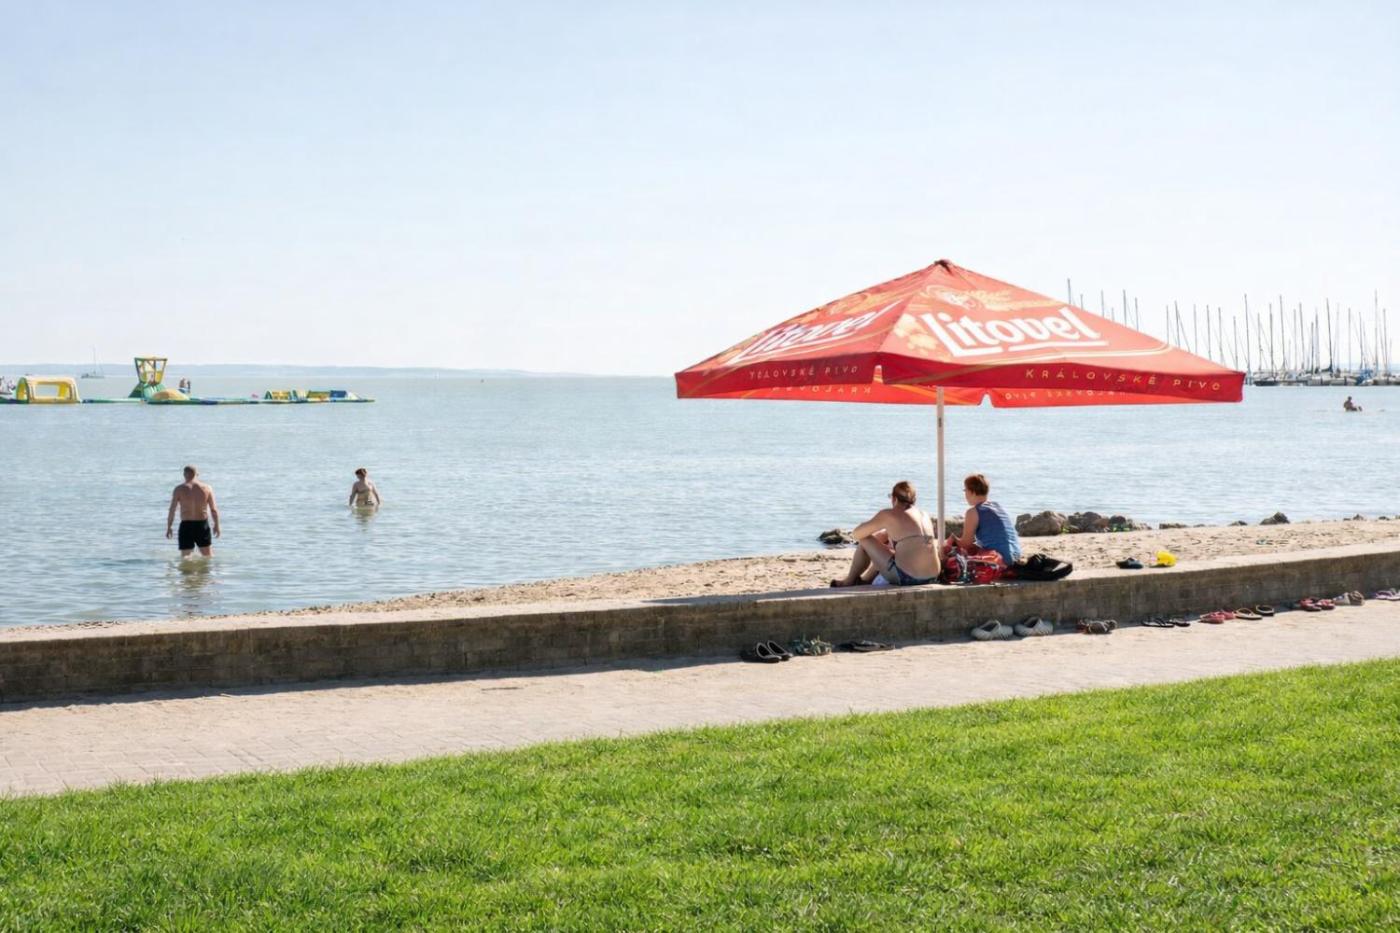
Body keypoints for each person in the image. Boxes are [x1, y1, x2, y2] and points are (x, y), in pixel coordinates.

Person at [831, 480, 941, 587]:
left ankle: (849, 581)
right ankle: (865, 580)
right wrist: (884, 538)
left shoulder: (889, 514)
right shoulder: (924, 515)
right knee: (886, 550)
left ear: (894, 499)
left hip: (908, 578)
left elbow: (857, 534)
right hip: (933, 576)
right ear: (914, 500)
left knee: (865, 540)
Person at [949, 473, 1022, 565]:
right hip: (1016, 555)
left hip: (999, 559)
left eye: (965, 490)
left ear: (971, 492)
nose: (965, 494)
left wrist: (952, 539)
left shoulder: (973, 512)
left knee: (952, 555)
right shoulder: (997, 506)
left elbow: (966, 544)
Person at [166, 465, 220, 557]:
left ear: (184, 474)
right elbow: (214, 510)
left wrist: (169, 527)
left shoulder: (179, 489)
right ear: (197, 474)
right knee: (208, 556)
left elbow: (172, 510)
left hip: (186, 525)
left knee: (186, 557)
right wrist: (217, 525)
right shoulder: (207, 488)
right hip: (202, 525)